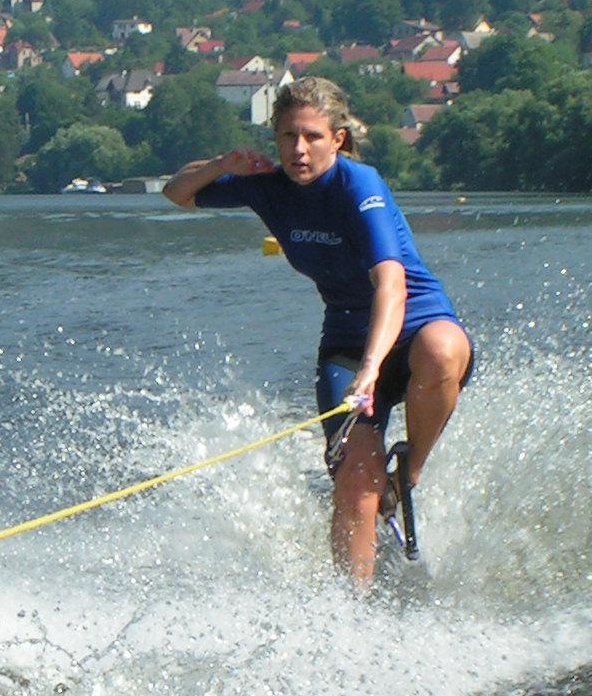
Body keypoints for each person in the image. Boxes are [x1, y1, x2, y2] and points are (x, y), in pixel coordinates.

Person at [164, 76, 473, 584]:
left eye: (311, 136)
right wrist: (224, 165)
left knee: (443, 348)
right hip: (347, 342)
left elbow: (390, 286)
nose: (298, 149)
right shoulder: (268, 187)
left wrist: (372, 371)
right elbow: (177, 193)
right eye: (287, 137)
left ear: (338, 139)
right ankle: (351, 614)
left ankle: (409, 473)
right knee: (356, 478)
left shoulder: (361, 186)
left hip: (414, 327)